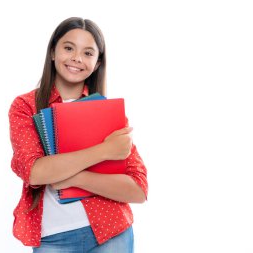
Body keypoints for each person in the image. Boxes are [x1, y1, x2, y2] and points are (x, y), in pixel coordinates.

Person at [8, 17, 148, 253]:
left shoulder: (109, 112)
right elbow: (35, 172)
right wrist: (105, 150)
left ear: (97, 62)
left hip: (111, 232)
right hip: (52, 238)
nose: (77, 58)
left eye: (88, 53)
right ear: (53, 52)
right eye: (69, 48)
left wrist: (73, 178)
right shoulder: (26, 106)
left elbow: (138, 190)